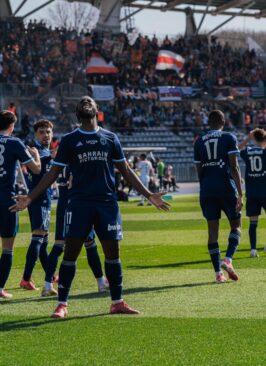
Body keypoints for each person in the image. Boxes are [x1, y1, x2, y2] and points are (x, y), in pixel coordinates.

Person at [10, 96, 170, 318]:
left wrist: (149, 194)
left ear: (97, 110)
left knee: (113, 253)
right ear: (79, 113)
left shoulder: (110, 138)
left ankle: (117, 301)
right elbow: (52, 174)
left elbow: (126, 170)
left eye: (90, 102)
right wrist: (29, 197)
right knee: (71, 252)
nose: (87, 103)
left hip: (107, 204)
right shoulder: (69, 140)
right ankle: (62, 304)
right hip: (79, 204)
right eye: (83, 102)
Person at [42, 167, 109, 297]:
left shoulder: (62, 159)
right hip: (78, 204)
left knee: (58, 244)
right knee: (89, 243)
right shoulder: (77, 157)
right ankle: (101, 283)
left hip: (63, 204)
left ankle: (47, 285)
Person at [194, 109, 243, 284]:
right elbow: (234, 166)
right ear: (223, 121)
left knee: (212, 231)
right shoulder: (229, 138)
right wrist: (240, 193)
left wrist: (205, 188)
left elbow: (199, 171)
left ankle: (217, 274)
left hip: (207, 189)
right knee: (236, 226)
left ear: (210, 122)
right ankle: (228, 260)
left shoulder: (198, 141)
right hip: (225, 187)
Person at [0, 110, 41, 298]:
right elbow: (36, 169)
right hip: (6, 199)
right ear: (12, 125)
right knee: (7, 247)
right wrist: (37, 155)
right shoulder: (15, 143)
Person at [20, 119, 54, 291]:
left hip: (43, 199)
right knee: (38, 238)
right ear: (35, 134)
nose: (45, 135)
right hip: (39, 200)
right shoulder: (37, 151)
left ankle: (50, 273)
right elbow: (40, 163)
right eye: (41, 132)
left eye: (48, 132)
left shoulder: (45, 150)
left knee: (43, 241)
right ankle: (26, 278)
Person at [239, 128, 266, 258]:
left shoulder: (248, 151)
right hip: (265, 191)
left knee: (253, 222)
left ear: (254, 139)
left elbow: (236, 149)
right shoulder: (265, 151)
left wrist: (248, 138)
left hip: (252, 192)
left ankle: (253, 250)